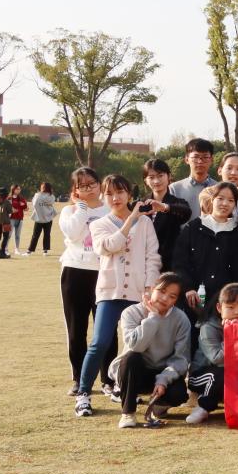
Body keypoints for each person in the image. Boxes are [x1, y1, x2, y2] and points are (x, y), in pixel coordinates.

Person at [75, 174, 162, 417]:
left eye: (120, 192)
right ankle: (83, 393)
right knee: (100, 342)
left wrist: (149, 286)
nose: (115, 198)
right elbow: (108, 247)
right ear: (104, 196)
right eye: (110, 193)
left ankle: (122, 386)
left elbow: (152, 256)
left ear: (129, 194)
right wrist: (131, 219)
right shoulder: (99, 224)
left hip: (138, 292)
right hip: (110, 292)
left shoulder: (146, 223)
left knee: (134, 346)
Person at [109, 272, 190, 428]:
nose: (165, 298)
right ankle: (128, 413)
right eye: (162, 291)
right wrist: (153, 317)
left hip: (162, 371)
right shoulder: (131, 312)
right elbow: (136, 346)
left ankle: (158, 406)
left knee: (179, 393)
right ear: (152, 289)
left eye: (172, 296)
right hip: (134, 371)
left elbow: (180, 359)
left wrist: (163, 380)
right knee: (131, 358)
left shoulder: (181, 319)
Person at [58, 168, 113, 398]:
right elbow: (72, 234)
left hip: (105, 272)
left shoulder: (110, 208)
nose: (89, 189)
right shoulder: (69, 211)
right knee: (76, 329)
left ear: (100, 184)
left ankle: (108, 379)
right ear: (75, 190)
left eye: (93, 183)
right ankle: (79, 379)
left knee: (107, 330)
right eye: (83, 186)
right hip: (75, 272)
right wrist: (81, 207)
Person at [172, 181, 238, 329]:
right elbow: (180, 262)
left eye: (231, 200)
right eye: (220, 198)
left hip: (225, 306)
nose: (225, 204)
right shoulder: (193, 227)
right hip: (193, 301)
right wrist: (188, 288)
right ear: (212, 199)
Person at [186, 282, 238, 424]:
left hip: (234, 372)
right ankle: (203, 406)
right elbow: (217, 359)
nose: (237, 312)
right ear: (219, 307)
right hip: (203, 373)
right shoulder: (208, 327)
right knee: (221, 374)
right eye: (231, 307)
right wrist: (231, 334)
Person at [140, 159, 192, 272]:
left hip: (169, 264)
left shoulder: (177, 203)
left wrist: (164, 207)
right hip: (143, 264)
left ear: (169, 176)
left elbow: (186, 213)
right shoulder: (140, 205)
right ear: (145, 181)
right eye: (151, 177)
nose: (156, 181)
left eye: (160, 176)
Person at [169, 138, 218, 219]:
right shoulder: (174, 189)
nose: (200, 161)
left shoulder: (219, 188)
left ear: (211, 159)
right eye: (196, 157)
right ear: (187, 159)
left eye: (205, 157)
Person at [27, 181, 57, 256]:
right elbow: (51, 204)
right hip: (48, 218)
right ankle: (45, 251)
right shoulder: (52, 196)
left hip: (39, 218)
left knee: (35, 235)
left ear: (43, 188)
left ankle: (30, 251)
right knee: (47, 235)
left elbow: (34, 204)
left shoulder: (37, 195)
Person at [0, 187, 12, 258]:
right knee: (5, 237)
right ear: (6, 194)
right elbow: (10, 211)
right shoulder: (7, 202)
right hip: (5, 222)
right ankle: (3, 253)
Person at [8, 184, 28, 255]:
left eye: (19, 189)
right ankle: (5, 249)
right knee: (9, 234)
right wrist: (12, 209)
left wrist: (24, 206)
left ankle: (17, 249)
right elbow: (6, 208)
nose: (19, 190)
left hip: (20, 218)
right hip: (11, 219)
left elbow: (26, 208)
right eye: (17, 189)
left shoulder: (21, 198)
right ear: (13, 189)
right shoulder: (9, 198)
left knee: (17, 235)